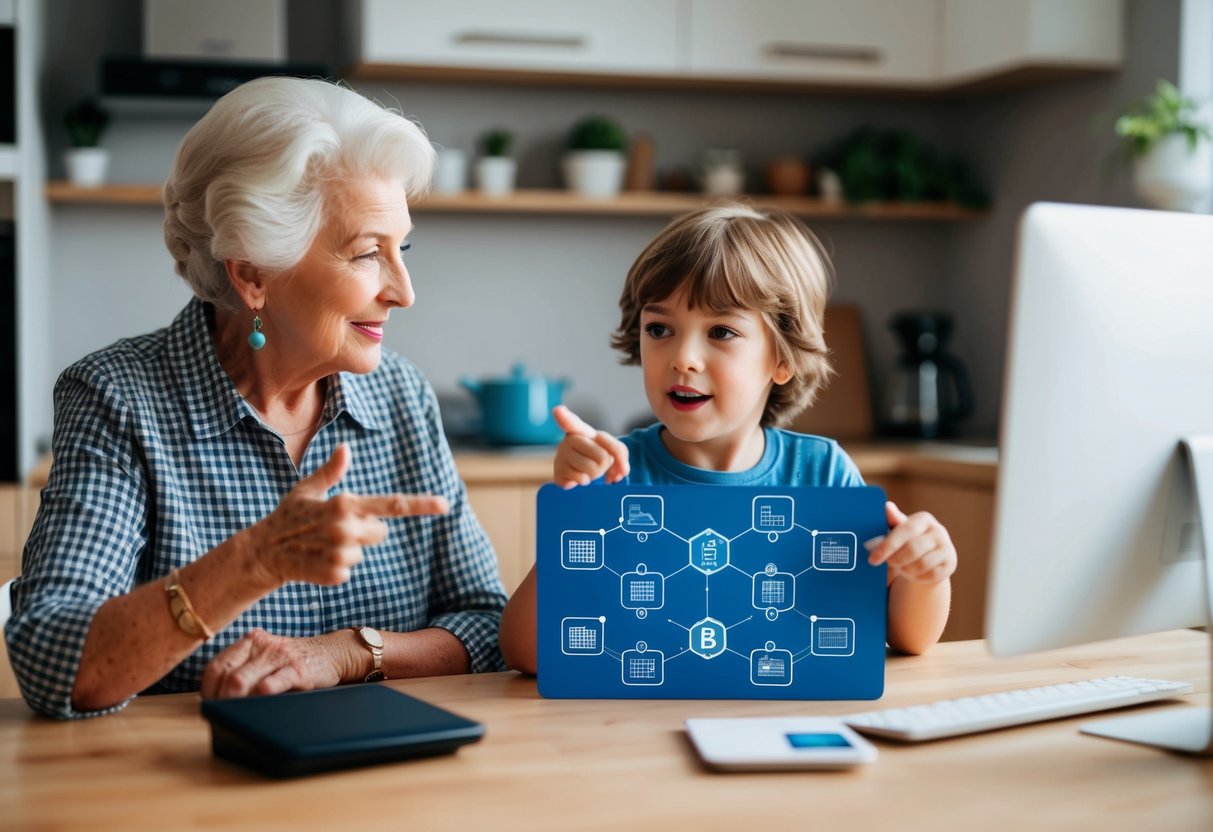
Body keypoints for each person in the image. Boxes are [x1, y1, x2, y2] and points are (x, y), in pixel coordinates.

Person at [6, 77, 508, 719]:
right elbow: (56, 664)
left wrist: (349, 653)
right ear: (252, 273)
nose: (404, 291)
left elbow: (489, 625)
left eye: (401, 247)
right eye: (366, 255)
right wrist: (255, 559)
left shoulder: (401, 396)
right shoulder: (118, 399)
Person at [499, 203, 956, 674]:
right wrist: (573, 514)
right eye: (660, 329)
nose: (683, 358)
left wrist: (926, 574)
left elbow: (909, 639)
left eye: (720, 331)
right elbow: (526, 654)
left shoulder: (825, 474)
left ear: (783, 359)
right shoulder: (613, 476)